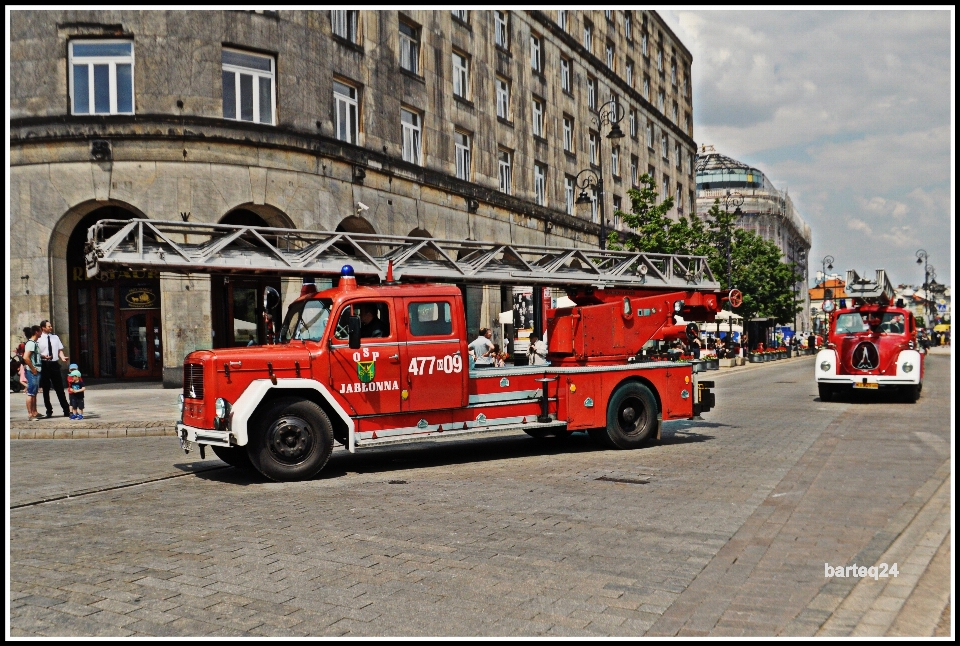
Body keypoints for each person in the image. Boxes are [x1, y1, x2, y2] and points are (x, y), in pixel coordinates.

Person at [38, 319, 70, 418]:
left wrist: (62, 357)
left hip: (54, 364)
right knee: (46, 388)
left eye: (51, 326)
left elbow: (59, 350)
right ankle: (49, 410)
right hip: (44, 364)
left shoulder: (55, 337)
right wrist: (43, 357)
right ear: (43, 328)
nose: (51, 328)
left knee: (59, 387)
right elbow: (37, 353)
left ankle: (66, 409)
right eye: (49, 326)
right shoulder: (39, 339)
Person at [23, 325, 43, 420]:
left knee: (34, 392)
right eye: (40, 331)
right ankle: (30, 414)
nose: (41, 333)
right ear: (36, 332)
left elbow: (33, 356)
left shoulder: (34, 343)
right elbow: (26, 357)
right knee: (31, 392)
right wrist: (33, 368)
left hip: (36, 370)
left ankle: (34, 412)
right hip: (33, 371)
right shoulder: (31, 343)